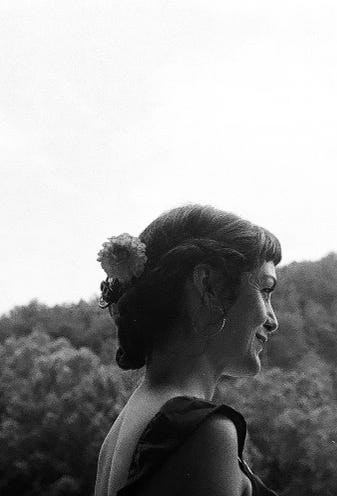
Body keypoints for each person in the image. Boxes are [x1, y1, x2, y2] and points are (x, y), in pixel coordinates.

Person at [93, 204, 281, 496]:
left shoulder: (125, 428)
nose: (272, 320)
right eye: (265, 290)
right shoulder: (201, 433)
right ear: (207, 286)